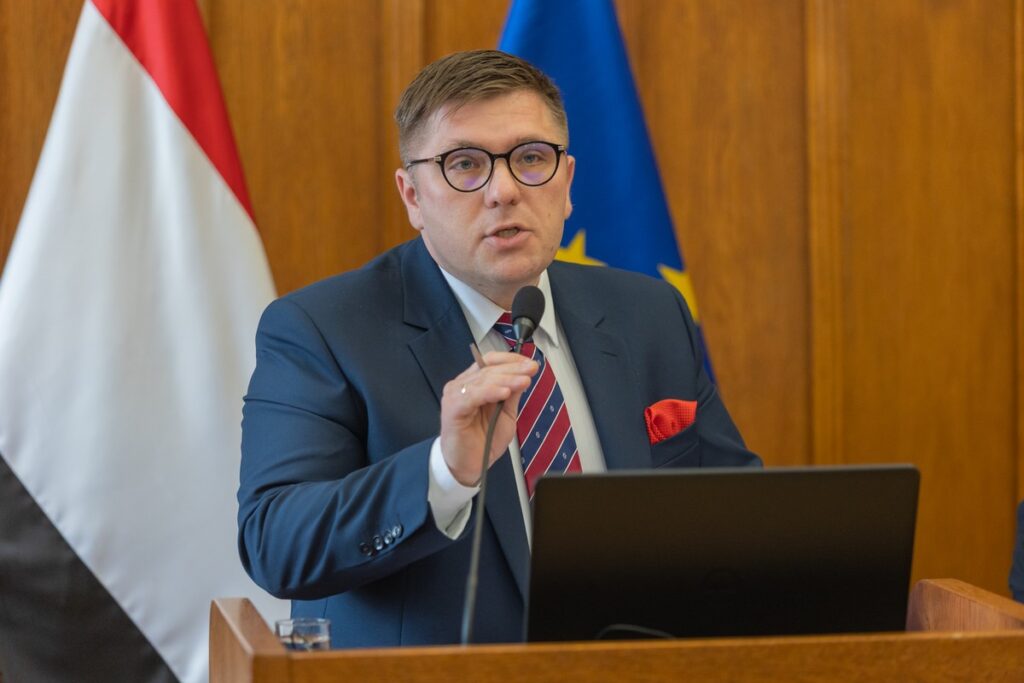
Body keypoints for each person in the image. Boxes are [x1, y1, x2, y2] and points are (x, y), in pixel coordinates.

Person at [237, 49, 760, 648]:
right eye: (465, 165)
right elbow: (275, 543)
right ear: (412, 196)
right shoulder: (321, 329)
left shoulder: (648, 314)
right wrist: (445, 471)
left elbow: (734, 510)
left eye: (531, 159)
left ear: (566, 183)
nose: (503, 191)